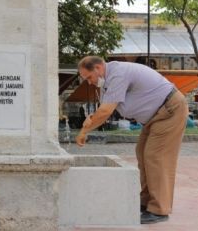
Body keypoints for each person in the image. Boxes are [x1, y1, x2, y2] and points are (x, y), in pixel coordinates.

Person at [75, 56, 187, 225]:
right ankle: (146, 201)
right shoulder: (108, 81)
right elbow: (103, 110)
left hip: (170, 110)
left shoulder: (118, 74)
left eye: (89, 77)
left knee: (156, 157)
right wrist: (91, 120)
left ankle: (159, 209)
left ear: (98, 68)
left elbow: (105, 112)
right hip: (155, 116)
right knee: (142, 152)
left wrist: (84, 131)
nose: (89, 82)